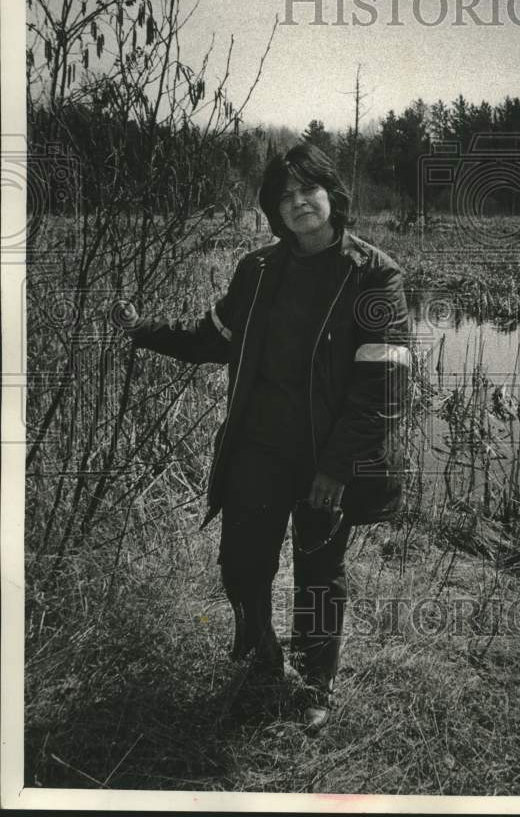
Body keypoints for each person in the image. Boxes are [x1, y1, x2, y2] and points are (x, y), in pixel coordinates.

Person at [124, 143, 410, 733]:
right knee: (242, 563)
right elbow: (213, 336)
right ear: (273, 210)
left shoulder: (375, 275)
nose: (298, 201)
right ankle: (260, 656)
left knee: (318, 572)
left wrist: (335, 468)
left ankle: (315, 684)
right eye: (284, 194)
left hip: (323, 460)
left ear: (332, 194)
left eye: (308, 189)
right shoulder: (257, 270)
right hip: (257, 448)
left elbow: (383, 387)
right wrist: (143, 331)